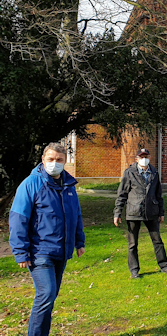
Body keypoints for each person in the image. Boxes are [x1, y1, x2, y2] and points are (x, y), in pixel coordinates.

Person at [9, 143, 85, 336]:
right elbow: (19, 218)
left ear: (65, 161)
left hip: (61, 251)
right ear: (43, 160)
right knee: (46, 294)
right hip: (39, 252)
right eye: (50, 159)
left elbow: (75, 215)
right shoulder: (31, 184)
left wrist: (79, 241)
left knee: (50, 298)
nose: (54, 163)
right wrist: (20, 251)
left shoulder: (69, 185)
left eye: (59, 160)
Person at [114, 148, 167, 278]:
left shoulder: (154, 173)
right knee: (133, 243)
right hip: (133, 212)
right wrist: (117, 213)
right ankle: (134, 270)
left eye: (146, 156)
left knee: (157, 240)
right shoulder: (129, 173)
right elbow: (122, 194)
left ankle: (164, 266)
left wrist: (161, 212)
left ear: (150, 158)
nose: (144, 159)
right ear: (136, 159)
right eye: (141, 157)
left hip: (151, 211)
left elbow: (159, 195)